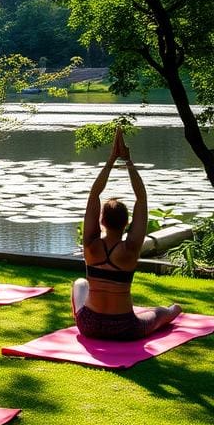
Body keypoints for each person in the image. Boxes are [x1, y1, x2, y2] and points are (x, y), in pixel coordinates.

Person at [72, 127, 181, 339]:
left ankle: (172, 310)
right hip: (124, 328)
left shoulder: (90, 246)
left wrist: (111, 160)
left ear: (101, 220)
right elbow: (142, 199)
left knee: (79, 284)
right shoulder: (130, 250)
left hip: (88, 325)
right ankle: (175, 309)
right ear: (127, 222)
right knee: (160, 313)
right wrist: (128, 162)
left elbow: (94, 196)